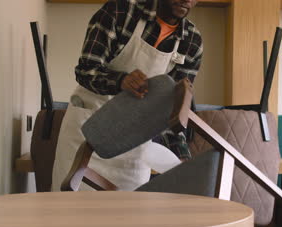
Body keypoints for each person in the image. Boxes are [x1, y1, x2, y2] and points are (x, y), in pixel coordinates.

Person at [52, 0, 203, 192]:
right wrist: (120, 81)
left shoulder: (192, 42)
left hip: (134, 147)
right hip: (85, 134)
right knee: (70, 214)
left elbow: (172, 107)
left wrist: (182, 157)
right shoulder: (120, 11)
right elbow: (86, 71)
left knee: (129, 217)